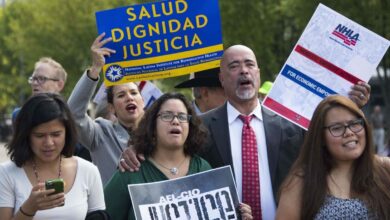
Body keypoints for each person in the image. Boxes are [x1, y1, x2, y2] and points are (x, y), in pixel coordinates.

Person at [121, 45, 371, 219]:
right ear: (221, 78)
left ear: (258, 73)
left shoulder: (293, 126)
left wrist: (351, 108)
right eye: (234, 66)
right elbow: (166, 154)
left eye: (249, 64)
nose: (243, 70)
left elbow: (334, 146)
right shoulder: (198, 127)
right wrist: (136, 151)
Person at [104, 92, 253, 219]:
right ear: (152, 125)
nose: (175, 121)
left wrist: (239, 215)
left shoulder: (203, 168)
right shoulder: (131, 171)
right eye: (167, 116)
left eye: (182, 117)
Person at [276, 95, 390, 219]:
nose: (349, 132)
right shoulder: (302, 181)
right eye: (337, 128)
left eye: (355, 123)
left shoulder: (384, 169)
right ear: (321, 137)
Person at [0, 93, 105, 219]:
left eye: (56, 134)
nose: (49, 143)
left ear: (67, 133)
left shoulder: (88, 170)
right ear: (26, 135)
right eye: (39, 135)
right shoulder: (6, 173)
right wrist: (29, 208)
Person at [67, 33, 145, 185]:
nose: (129, 98)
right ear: (112, 107)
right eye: (121, 95)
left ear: (143, 101)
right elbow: (73, 113)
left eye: (134, 93)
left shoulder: (160, 132)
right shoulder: (101, 134)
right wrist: (96, 68)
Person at [12, 57, 67, 122]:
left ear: (59, 85)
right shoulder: (19, 115)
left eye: (42, 79)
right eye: (33, 79)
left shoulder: (69, 116)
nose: (35, 83)